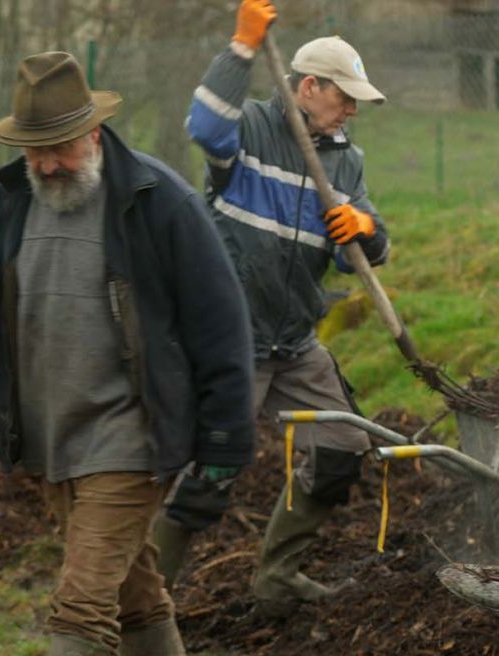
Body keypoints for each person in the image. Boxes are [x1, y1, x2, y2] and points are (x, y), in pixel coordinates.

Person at [0, 51, 255, 656]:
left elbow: (220, 322)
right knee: (135, 596)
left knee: (80, 609)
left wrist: (225, 438)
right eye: (33, 150)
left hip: (132, 437)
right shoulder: (10, 201)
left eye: (59, 148)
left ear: (92, 133)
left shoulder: (158, 203)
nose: (45, 164)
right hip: (51, 439)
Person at [154, 0, 392, 618]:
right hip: (233, 338)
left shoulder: (346, 160)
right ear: (308, 87)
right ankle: (145, 598)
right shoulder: (251, 131)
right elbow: (203, 128)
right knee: (210, 474)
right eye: (344, 98)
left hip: (295, 338)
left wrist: (364, 228)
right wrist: (240, 49)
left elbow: (358, 257)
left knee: (343, 447)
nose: (351, 110)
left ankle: (277, 577)